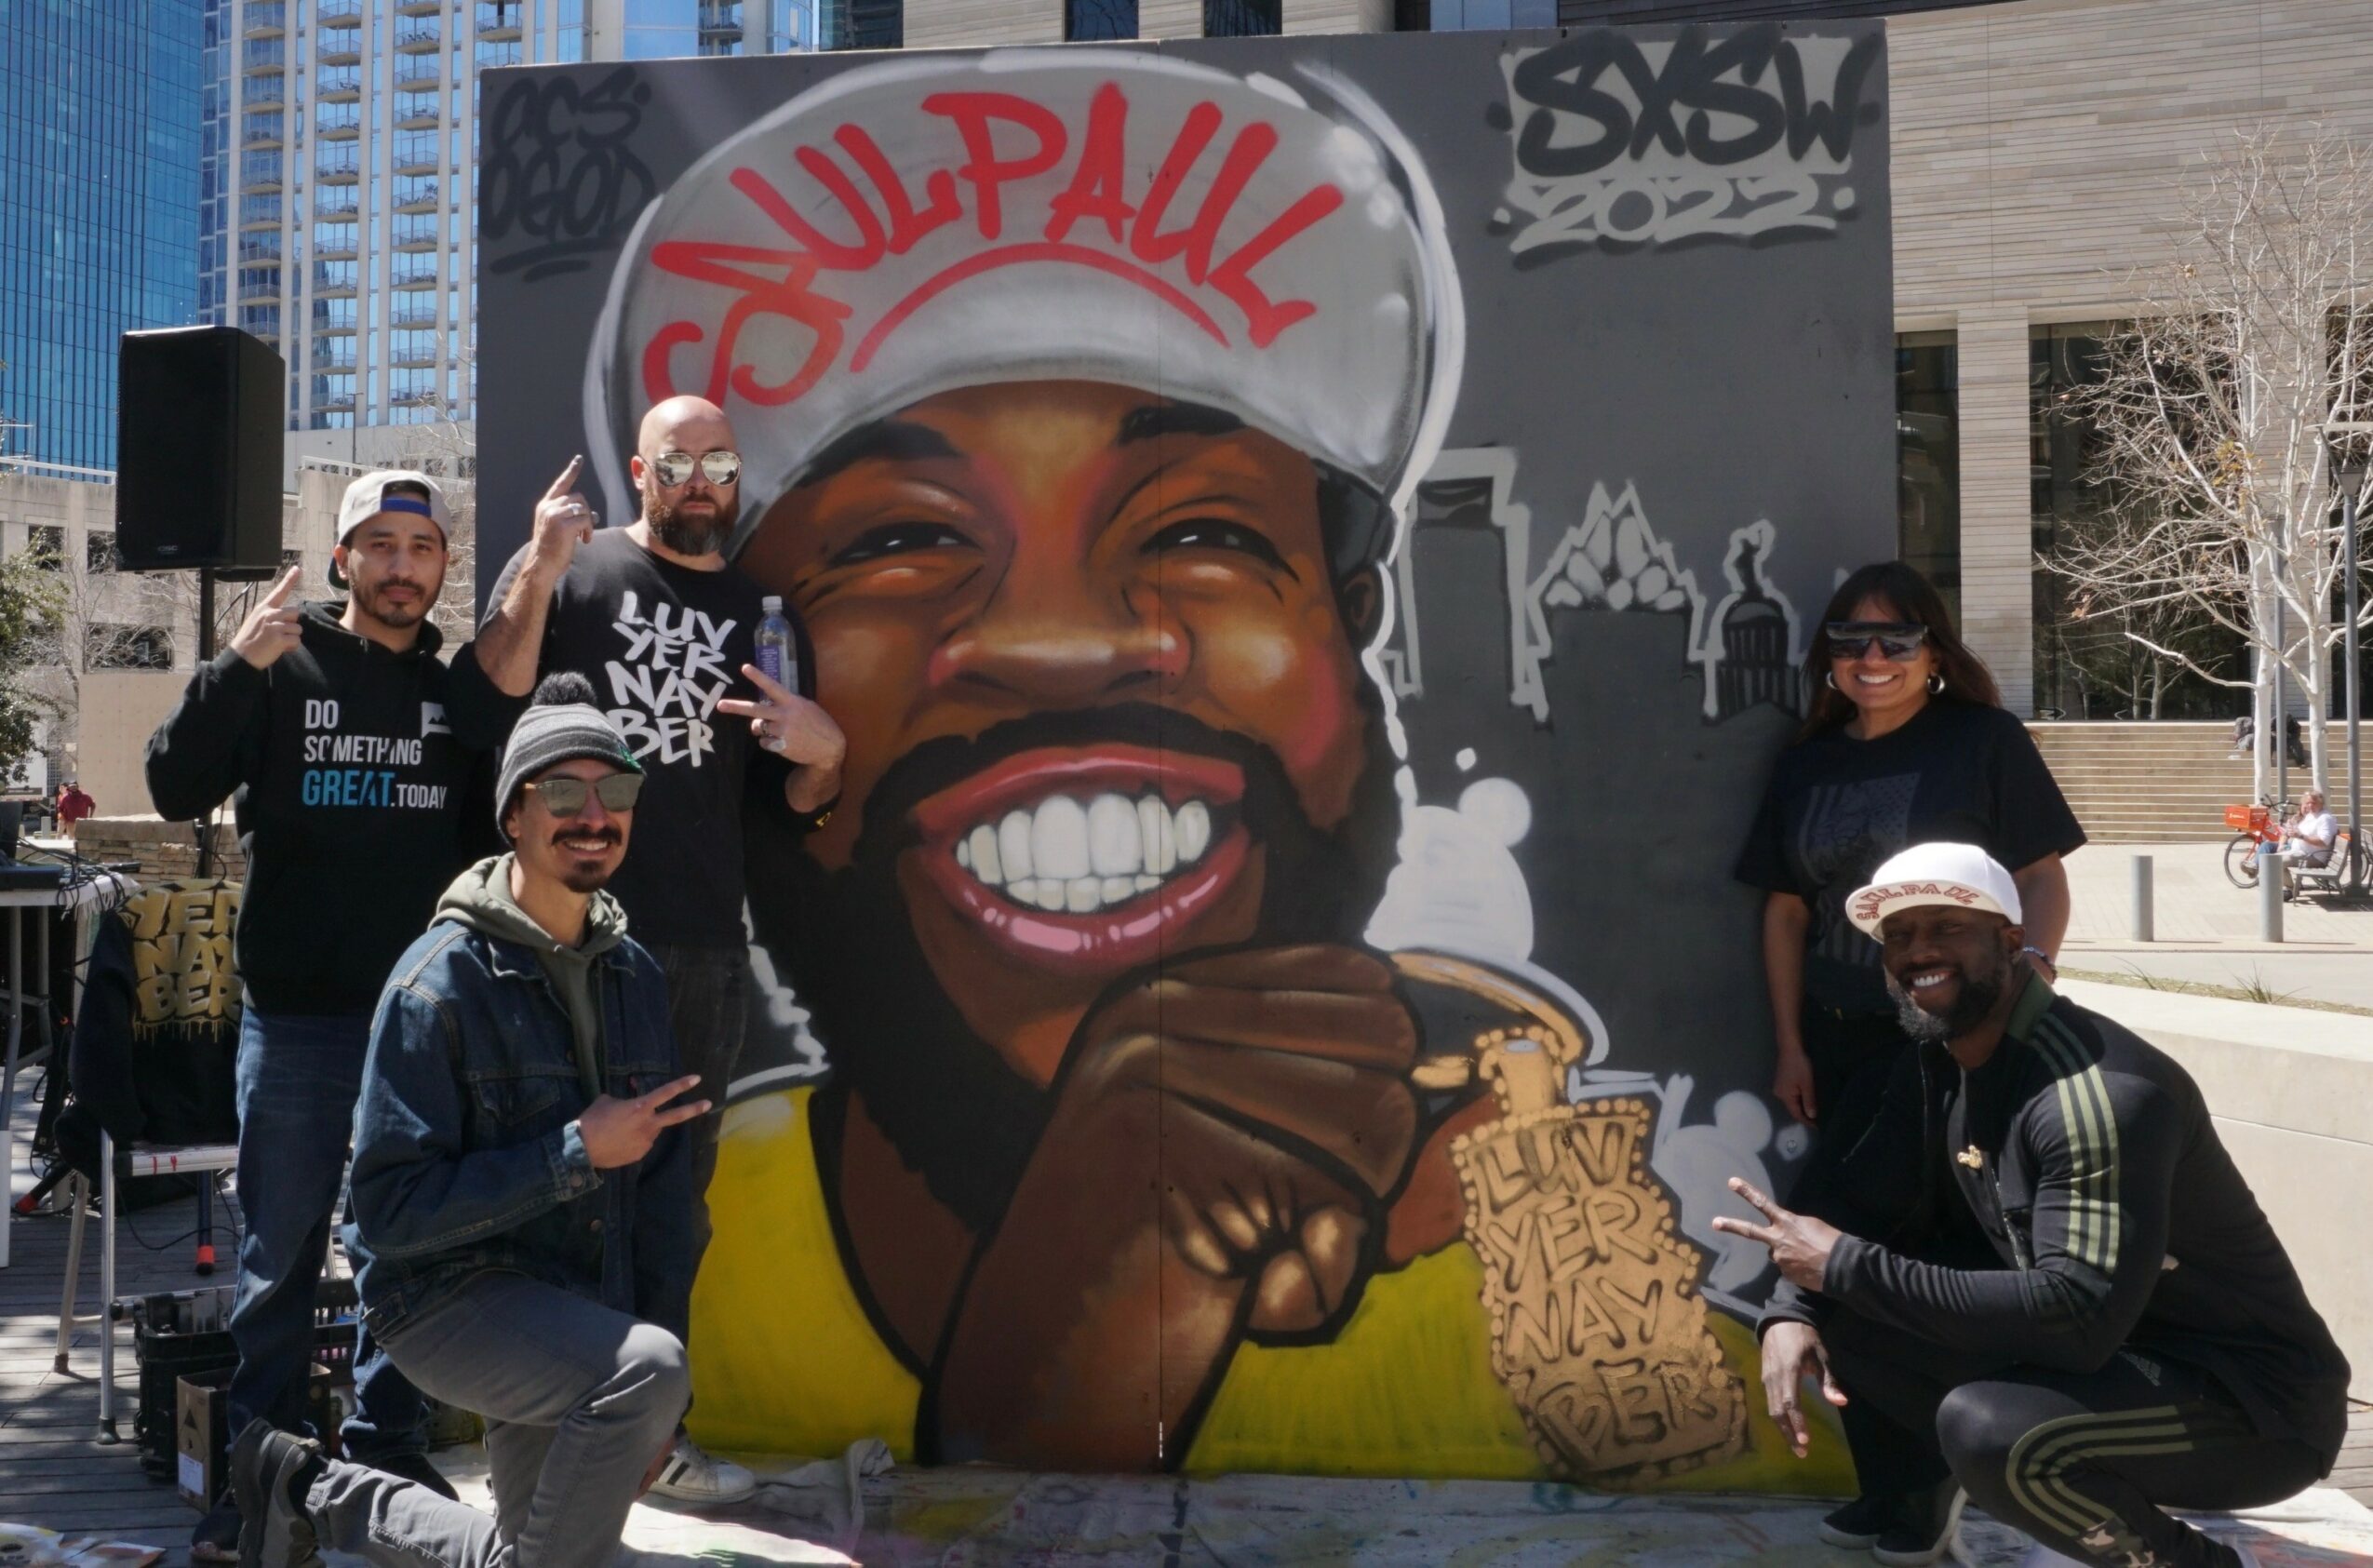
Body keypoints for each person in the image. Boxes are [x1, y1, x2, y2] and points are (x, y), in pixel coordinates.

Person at [592, 49, 1788, 1488]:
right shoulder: (705, 1197)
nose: (1050, 642)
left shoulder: (1525, 1195)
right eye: (894, 541)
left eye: (1198, 533)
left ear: (1352, 629)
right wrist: (1059, 1359)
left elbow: (1661, 1483)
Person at [1715, 842, 2351, 1568]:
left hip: (2250, 1404)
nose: (1918, 951)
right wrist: (1794, 1307)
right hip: (2118, 1354)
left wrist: (1847, 1268)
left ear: (2011, 941)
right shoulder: (1942, 1060)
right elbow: (1860, 1204)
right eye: (1899, 936)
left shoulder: (2097, 1095)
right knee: (1847, 1303)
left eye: (1946, 928)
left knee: (1999, 1434)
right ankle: (1919, 1489)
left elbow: (2078, 1319)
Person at [449, 395, 844, 1503]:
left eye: (723, 460)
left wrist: (828, 753)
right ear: (642, 469)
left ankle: (651, 1447)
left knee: (671, 1199)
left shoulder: (764, 611)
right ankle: (535, 1439)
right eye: (684, 461)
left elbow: (796, 799)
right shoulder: (574, 574)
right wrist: (538, 554)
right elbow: (490, 695)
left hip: (696, 946)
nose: (707, 478)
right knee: (548, 1184)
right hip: (557, 935)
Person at [231, 674, 706, 1568]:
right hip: (439, 1300)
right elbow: (387, 1212)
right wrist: (575, 1152)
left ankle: (305, 1487)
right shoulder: (436, 984)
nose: (593, 815)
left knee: (542, 1554)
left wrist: (659, 1404)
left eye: (616, 792)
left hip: (571, 1309)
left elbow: (667, 1198)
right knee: (645, 1377)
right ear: (515, 816)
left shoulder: (634, 973)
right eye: (562, 792)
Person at [145, 471, 488, 1555]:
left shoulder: (455, 691)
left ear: (441, 565)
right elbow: (170, 783)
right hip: (295, 1020)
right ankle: (260, 1463)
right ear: (343, 559)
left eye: (420, 546)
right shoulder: (280, 663)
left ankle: (388, 1442)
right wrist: (235, 663)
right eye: (377, 543)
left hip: (421, 1025)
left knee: (404, 1241)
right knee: (278, 1251)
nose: (400, 564)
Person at [1736, 562, 2085, 1186]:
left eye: (1896, 639)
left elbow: (2040, 873)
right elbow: (1787, 911)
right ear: (1830, 656)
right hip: (1835, 1035)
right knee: (1869, 1209)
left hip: (1955, 1026)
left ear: (1934, 654)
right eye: (1850, 640)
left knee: (1926, 1208)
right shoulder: (1804, 763)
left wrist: (2030, 982)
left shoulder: (1984, 740)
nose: (1872, 657)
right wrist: (1790, 1044)